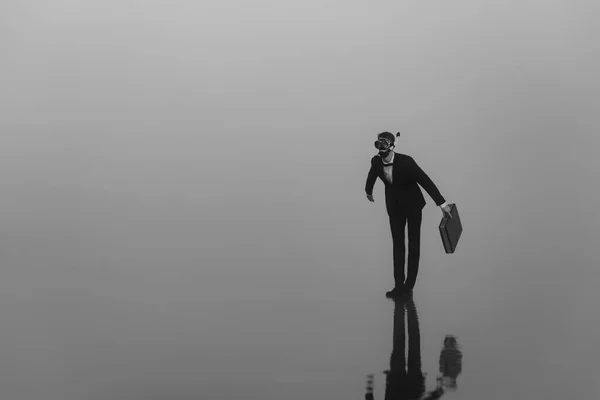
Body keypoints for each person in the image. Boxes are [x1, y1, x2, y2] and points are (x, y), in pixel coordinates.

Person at [365, 132, 452, 298]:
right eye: (378, 144)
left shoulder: (407, 161)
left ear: (391, 146)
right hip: (394, 209)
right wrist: (368, 191)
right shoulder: (376, 162)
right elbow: (372, 175)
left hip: (413, 207)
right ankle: (398, 286)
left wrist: (442, 204)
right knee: (397, 246)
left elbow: (425, 181)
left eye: (384, 144)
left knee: (413, 244)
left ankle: (409, 285)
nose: (381, 149)